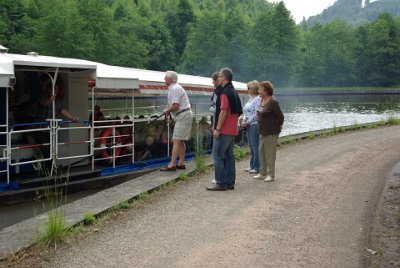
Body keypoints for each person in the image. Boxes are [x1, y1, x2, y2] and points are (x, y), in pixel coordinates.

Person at [206, 68, 242, 191]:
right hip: (233, 129)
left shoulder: (225, 93)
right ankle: (230, 182)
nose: (218, 77)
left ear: (225, 78)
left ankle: (220, 183)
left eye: (220, 76)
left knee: (217, 156)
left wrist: (217, 129)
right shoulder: (233, 91)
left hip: (224, 130)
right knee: (229, 155)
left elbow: (223, 112)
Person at [160, 71, 193, 171]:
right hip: (183, 115)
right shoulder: (174, 88)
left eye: (165, 77)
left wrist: (166, 110)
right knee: (180, 140)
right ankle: (181, 163)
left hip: (183, 115)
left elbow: (175, 105)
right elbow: (173, 105)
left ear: (170, 79)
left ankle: (172, 164)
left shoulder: (174, 88)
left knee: (176, 140)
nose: (164, 79)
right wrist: (168, 110)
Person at [253, 81, 284, 182]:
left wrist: (277, 126)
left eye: (260, 89)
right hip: (262, 131)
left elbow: (280, 116)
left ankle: (271, 174)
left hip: (271, 132)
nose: (258, 91)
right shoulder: (261, 101)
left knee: (270, 153)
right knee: (261, 152)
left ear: (266, 91)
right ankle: (262, 173)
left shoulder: (273, 102)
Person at [240, 80, 261, 174]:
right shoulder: (250, 99)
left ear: (253, 89)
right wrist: (244, 119)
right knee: (251, 146)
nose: (247, 90)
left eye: (249, 88)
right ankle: (252, 164)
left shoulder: (258, 99)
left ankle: (257, 167)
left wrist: (248, 122)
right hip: (248, 124)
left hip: (254, 124)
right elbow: (246, 112)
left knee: (255, 146)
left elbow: (257, 114)